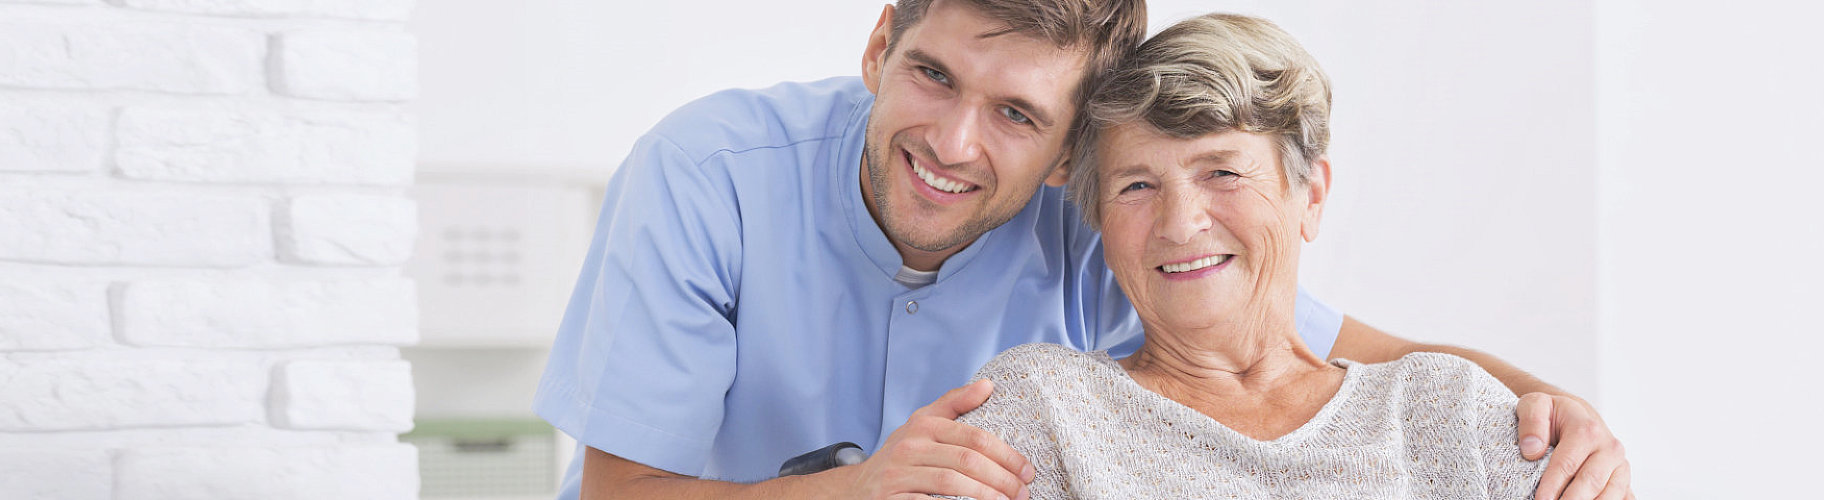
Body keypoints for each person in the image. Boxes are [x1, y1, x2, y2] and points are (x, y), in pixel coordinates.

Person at [535, 1, 1628, 499]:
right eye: (932, 76)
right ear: (880, 44)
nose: (954, 143)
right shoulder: (706, 174)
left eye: (1017, 114)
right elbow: (621, 493)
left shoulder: (1110, 219)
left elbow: (1315, 350)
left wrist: (1559, 413)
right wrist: (861, 490)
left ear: (1068, 151)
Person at [953, 13, 1583, 498]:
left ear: (1310, 198)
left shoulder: (1449, 411)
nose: (1179, 224)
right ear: (1098, 221)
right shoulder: (1040, 411)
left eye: (1222, 172)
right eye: (1137, 185)